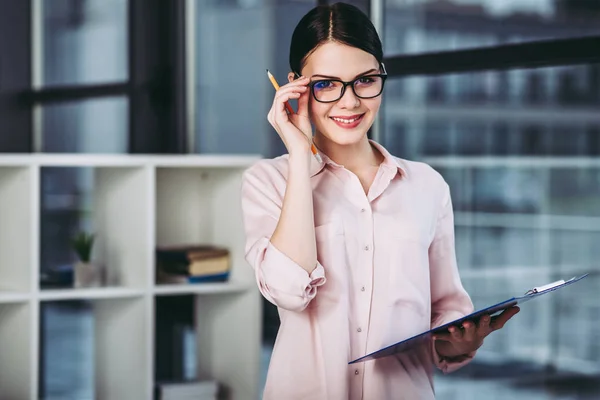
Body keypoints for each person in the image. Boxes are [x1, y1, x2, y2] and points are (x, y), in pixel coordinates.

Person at [241, 2, 519, 399]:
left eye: (365, 80)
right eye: (326, 84)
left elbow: (446, 310)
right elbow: (287, 290)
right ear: (295, 87)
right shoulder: (267, 181)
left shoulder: (427, 186)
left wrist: (460, 343)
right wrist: (300, 157)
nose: (351, 102)